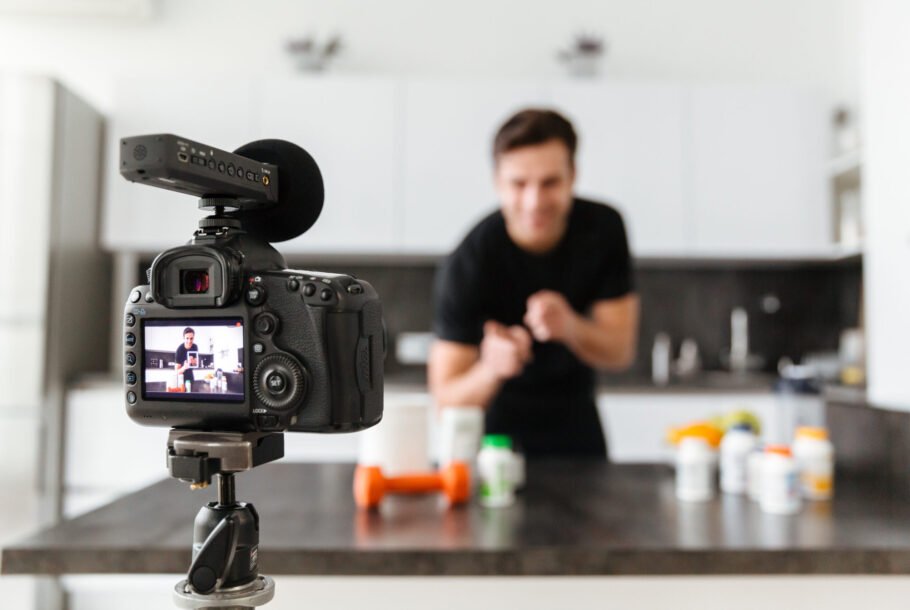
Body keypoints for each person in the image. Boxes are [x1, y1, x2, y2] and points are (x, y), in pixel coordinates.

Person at [428, 108, 640, 459]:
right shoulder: (469, 261)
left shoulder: (604, 229)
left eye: (550, 182)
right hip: (495, 444)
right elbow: (445, 401)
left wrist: (570, 326)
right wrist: (491, 369)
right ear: (497, 181)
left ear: (573, 176)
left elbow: (620, 352)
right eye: (519, 184)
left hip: (579, 431)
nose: (534, 202)